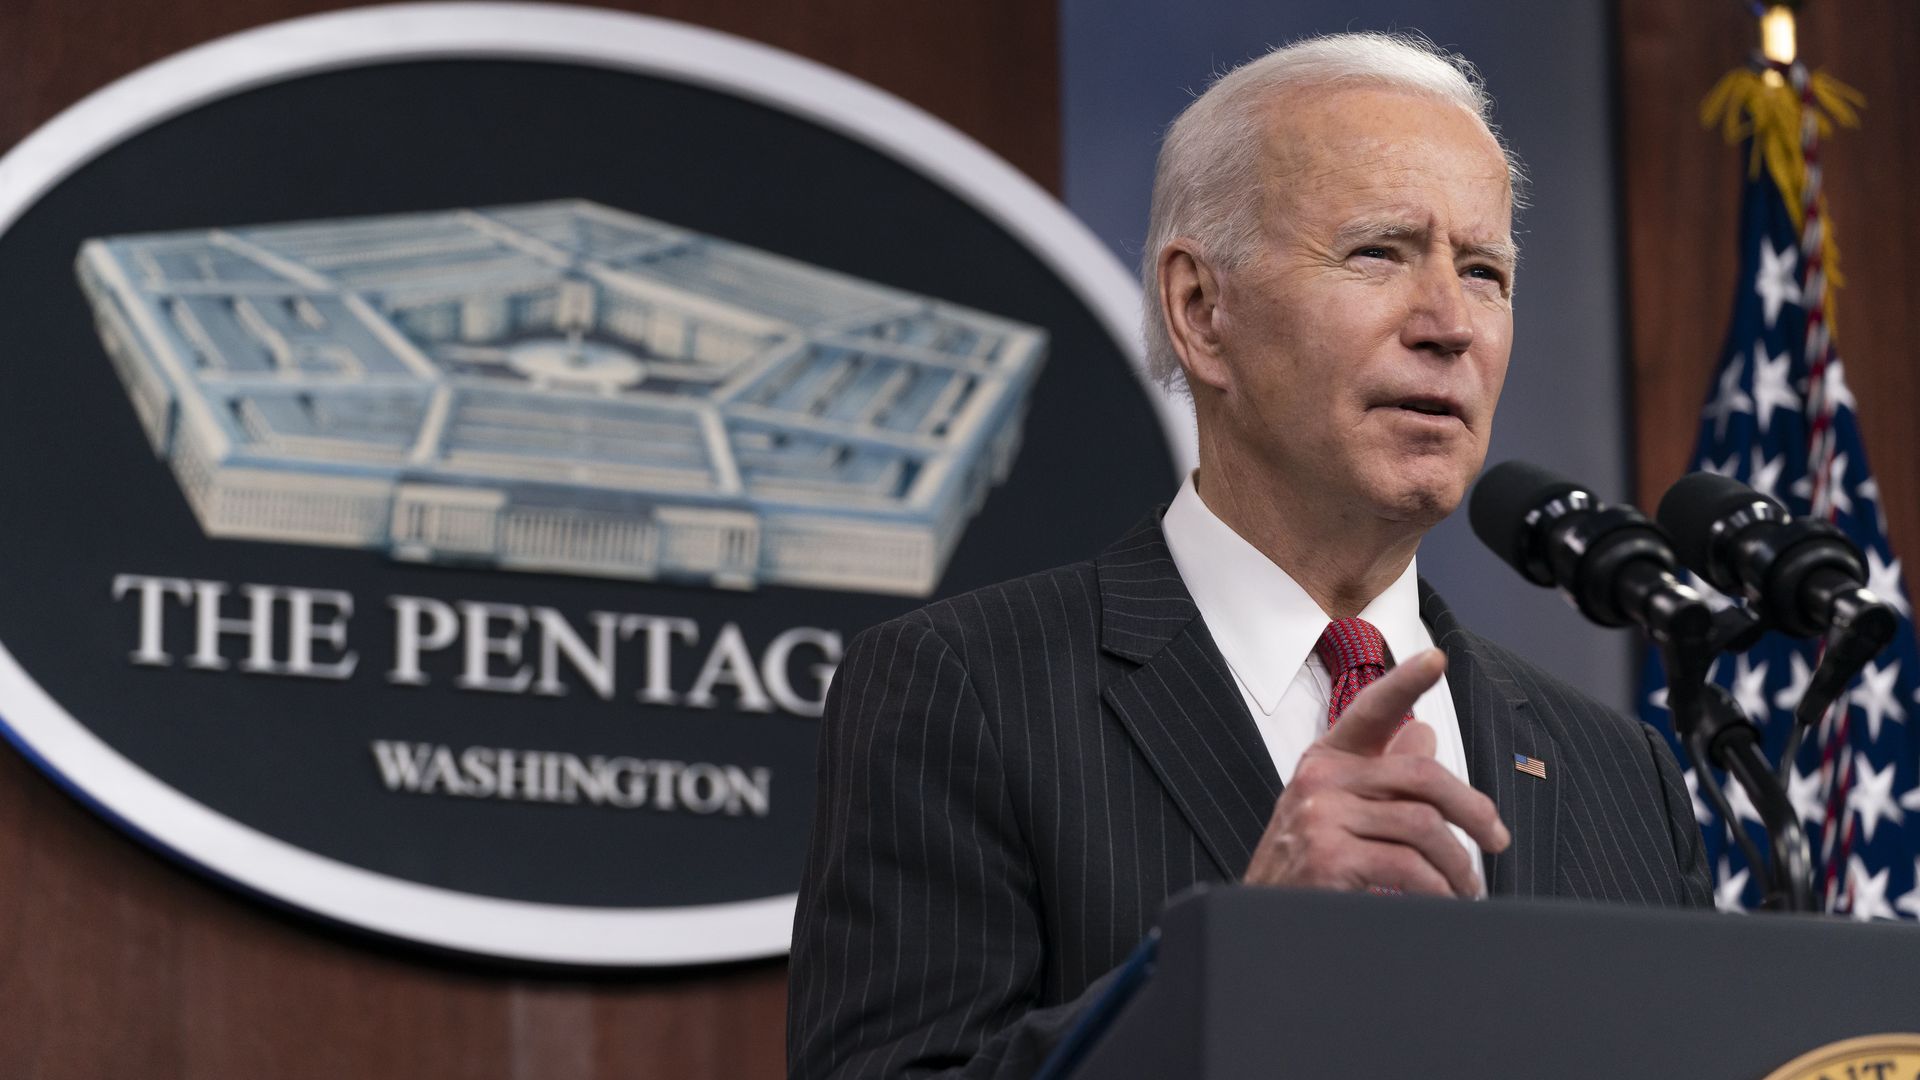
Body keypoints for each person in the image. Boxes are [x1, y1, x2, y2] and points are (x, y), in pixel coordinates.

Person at [787, 31, 1712, 1080]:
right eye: (1379, 253)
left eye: (1484, 270)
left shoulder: (1621, 773)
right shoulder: (965, 690)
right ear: (1201, 310)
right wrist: (1231, 960)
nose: (1451, 324)